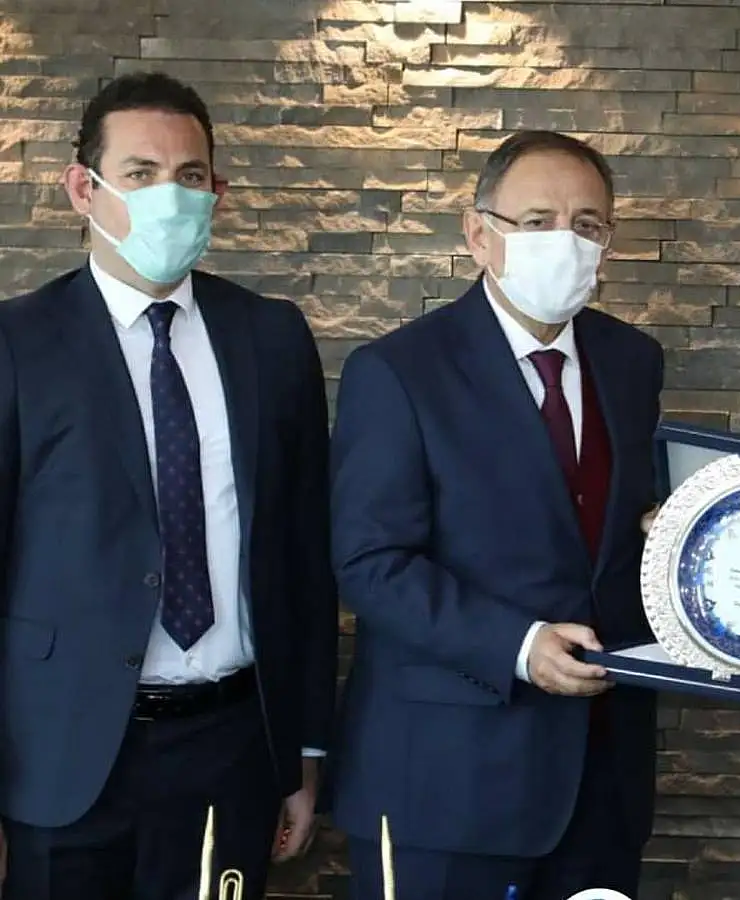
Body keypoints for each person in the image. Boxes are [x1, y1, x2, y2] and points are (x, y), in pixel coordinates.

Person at [0, 72, 339, 899]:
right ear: (84, 189)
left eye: (190, 176)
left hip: (232, 745)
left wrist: (303, 750)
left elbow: (303, 556)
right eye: (141, 173)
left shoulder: (271, 337)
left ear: (217, 191)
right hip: (60, 755)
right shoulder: (18, 344)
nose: (170, 197)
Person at [328, 130, 664, 900]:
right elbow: (370, 563)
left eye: (587, 225)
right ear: (479, 234)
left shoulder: (633, 361)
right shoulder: (397, 371)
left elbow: (621, 532)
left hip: (603, 782)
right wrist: (517, 645)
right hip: (447, 785)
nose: (565, 242)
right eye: (538, 220)